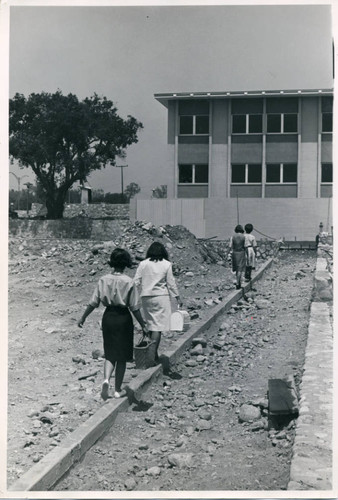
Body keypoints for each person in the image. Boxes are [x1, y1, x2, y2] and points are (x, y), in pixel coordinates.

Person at [78, 248, 148, 400]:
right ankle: (117, 389)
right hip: (123, 318)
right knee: (122, 356)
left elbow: (93, 302)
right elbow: (135, 307)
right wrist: (143, 325)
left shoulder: (103, 280)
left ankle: (106, 380)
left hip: (108, 317)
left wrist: (83, 317)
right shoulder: (129, 282)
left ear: (112, 262)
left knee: (110, 353)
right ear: (126, 263)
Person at [133, 242, 181, 362]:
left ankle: (151, 355)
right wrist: (177, 297)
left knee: (150, 325)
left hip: (146, 297)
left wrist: (131, 295)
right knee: (157, 328)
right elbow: (171, 283)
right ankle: (152, 356)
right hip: (161, 297)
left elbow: (136, 281)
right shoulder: (167, 264)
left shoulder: (143, 264)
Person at [230, 224, 246, 289]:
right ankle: (238, 282)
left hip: (235, 252)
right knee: (240, 268)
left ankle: (237, 281)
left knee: (236, 268)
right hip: (241, 252)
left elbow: (230, 246)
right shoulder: (243, 237)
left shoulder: (233, 237)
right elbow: (245, 246)